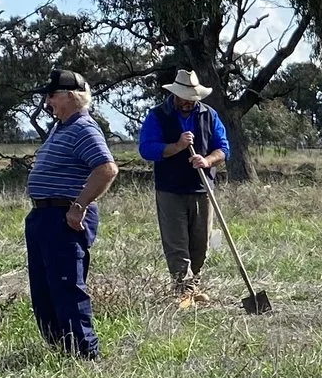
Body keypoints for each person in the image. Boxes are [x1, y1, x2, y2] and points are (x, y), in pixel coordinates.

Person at [23, 69, 119, 359]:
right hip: (43, 216)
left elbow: (106, 169)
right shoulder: (61, 126)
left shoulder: (84, 128)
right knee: (43, 289)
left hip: (64, 216)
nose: (47, 100)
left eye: (51, 95)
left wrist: (79, 206)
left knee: (67, 287)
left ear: (71, 96)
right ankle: (61, 349)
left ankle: (85, 353)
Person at [136, 68, 229, 304]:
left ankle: (193, 285)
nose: (188, 103)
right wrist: (177, 147)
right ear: (174, 95)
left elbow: (223, 148)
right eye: (184, 98)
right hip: (170, 189)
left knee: (201, 244)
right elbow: (147, 149)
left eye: (192, 99)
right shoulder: (158, 115)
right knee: (177, 243)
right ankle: (183, 291)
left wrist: (207, 160)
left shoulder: (209, 115)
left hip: (202, 188)